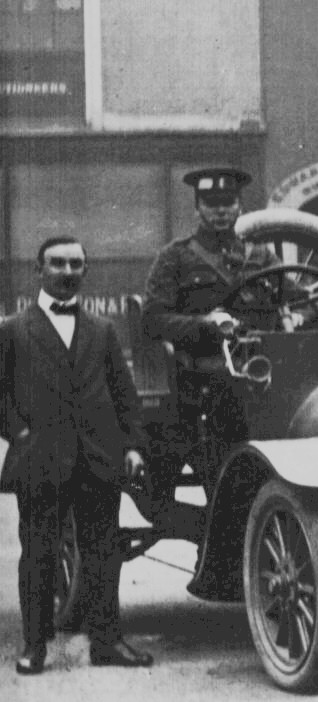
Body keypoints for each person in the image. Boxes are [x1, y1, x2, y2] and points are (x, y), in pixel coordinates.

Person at [0, 236, 153, 675]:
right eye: (58, 263)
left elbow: (125, 395)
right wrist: (20, 433)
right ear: (39, 269)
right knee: (39, 556)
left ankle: (107, 642)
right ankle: (34, 647)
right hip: (41, 460)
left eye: (76, 264)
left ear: (84, 271)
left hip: (98, 458)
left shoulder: (102, 330)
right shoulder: (13, 329)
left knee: (104, 554)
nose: (67, 272)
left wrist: (133, 446)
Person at [141, 167, 291, 487]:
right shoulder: (175, 258)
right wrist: (204, 326)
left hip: (262, 375)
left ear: (240, 207)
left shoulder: (262, 257)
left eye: (228, 202)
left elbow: (298, 297)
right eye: (211, 204)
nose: (220, 211)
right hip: (199, 381)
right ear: (198, 209)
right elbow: (153, 318)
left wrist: (300, 316)